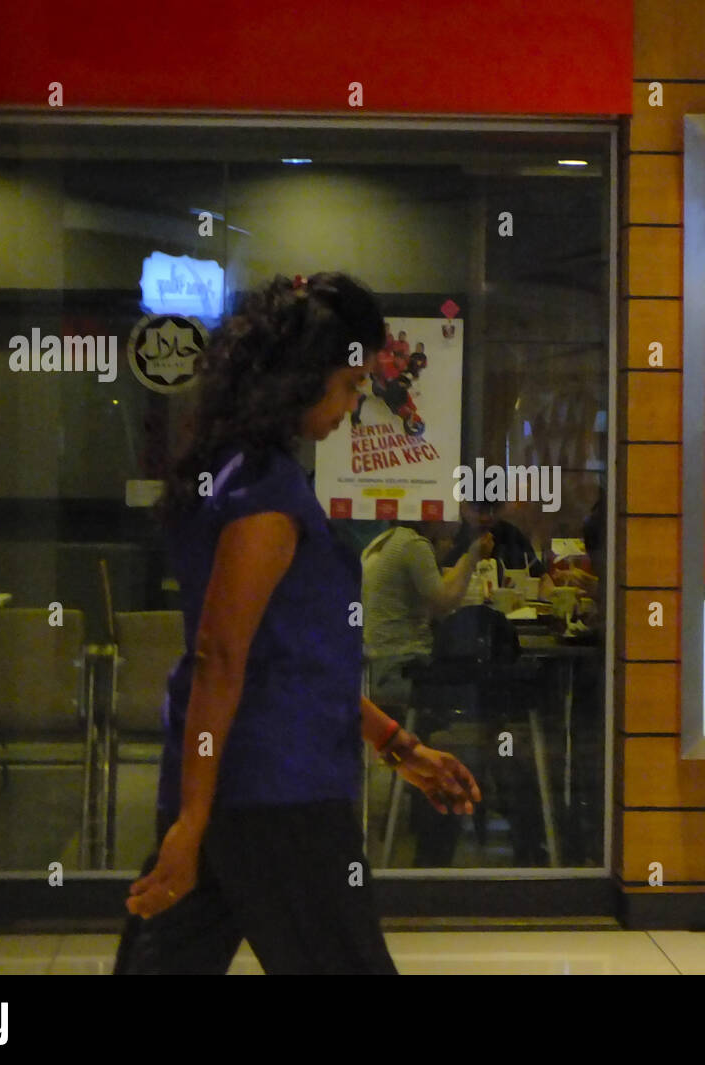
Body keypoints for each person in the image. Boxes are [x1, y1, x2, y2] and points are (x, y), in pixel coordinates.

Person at [112, 273, 480, 975]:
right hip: (283, 799)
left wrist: (399, 745)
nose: (355, 402)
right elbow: (222, 655)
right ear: (299, 378)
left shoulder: (228, 472)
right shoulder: (266, 498)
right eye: (348, 383)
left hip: (224, 783)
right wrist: (191, 823)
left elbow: (286, 657)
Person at [361, 520, 492, 866]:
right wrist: (473, 554)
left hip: (378, 669)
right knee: (479, 703)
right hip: (405, 670)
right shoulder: (412, 545)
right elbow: (445, 600)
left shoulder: (384, 542)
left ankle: (429, 827)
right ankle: (442, 842)